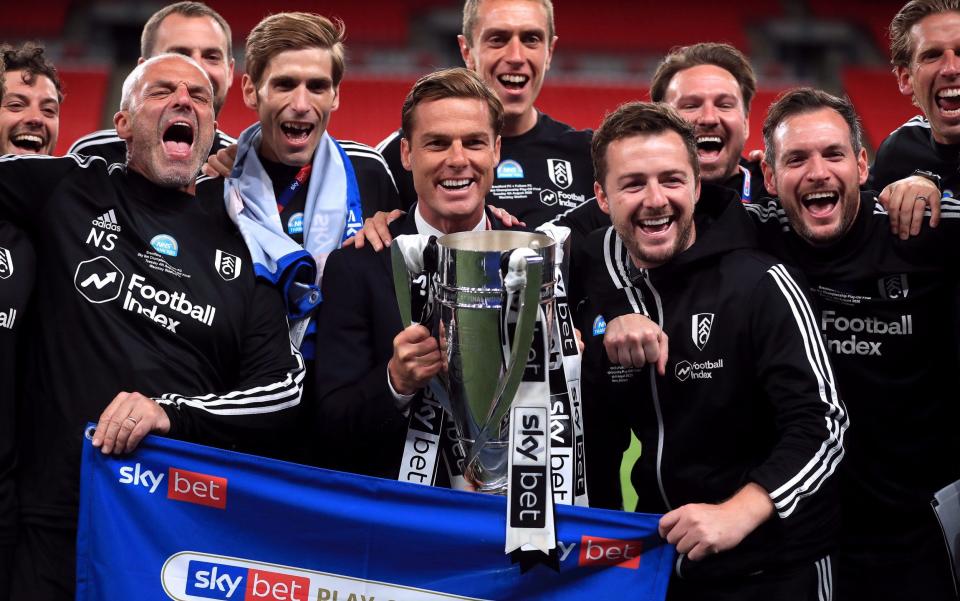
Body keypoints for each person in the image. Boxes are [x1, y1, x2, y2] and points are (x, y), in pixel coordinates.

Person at [0, 54, 304, 601]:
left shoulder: (246, 243)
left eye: (201, 95)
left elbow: (282, 396)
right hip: (50, 526)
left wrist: (173, 413)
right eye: (162, 90)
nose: (184, 100)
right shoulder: (68, 190)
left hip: (173, 536)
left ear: (211, 133)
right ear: (122, 124)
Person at [578, 100, 846, 600]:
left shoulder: (762, 282)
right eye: (633, 184)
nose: (655, 200)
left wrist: (736, 513)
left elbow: (824, 424)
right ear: (601, 196)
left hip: (775, 570)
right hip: (658, 565)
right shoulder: (598, 291)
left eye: (672, 180)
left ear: (698, 187)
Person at [755, 88, 960, 600]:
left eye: (834, 153)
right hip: (798, 531)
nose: (818, 172)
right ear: (770, 178)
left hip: (916, 530)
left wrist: (929, 179)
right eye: (796, 159)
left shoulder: (925, 229)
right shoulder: (753, 235)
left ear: (864, 166)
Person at [220, 12, 402, 463]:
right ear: (250, 90)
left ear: (336, 95)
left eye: (317, 86)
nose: (301, 104)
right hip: (246, 429)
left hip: (345, 432)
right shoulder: (219, 185)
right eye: (284, 84)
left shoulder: (369, 172)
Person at [313, 67, 509, 480]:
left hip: (511, 518)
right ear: (407, 154)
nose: (458, 160)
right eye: (437, 143)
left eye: (473, 142)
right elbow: (330, 428)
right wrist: (395, 382)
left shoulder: (534, 257)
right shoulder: (357, 266)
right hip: (400, 521)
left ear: (495, 150)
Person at [376, 0, 594, 227]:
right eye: (498, 39)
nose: (516, 57)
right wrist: (373, 221)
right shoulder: (395, 157)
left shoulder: (589, 156)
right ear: (466, 50)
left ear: (549, 52)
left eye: (531, 39)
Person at [0, 40, 64, 599]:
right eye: (17, 103)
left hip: (14, 500)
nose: (35, 120)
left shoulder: (46, 229)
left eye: (47, 109)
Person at [68, 1, 237, 160]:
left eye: (212, 57)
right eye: (179, 55)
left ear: (230, 73)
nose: (199, 70)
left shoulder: (246, 168)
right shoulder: (93, 157)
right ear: (142, 71)